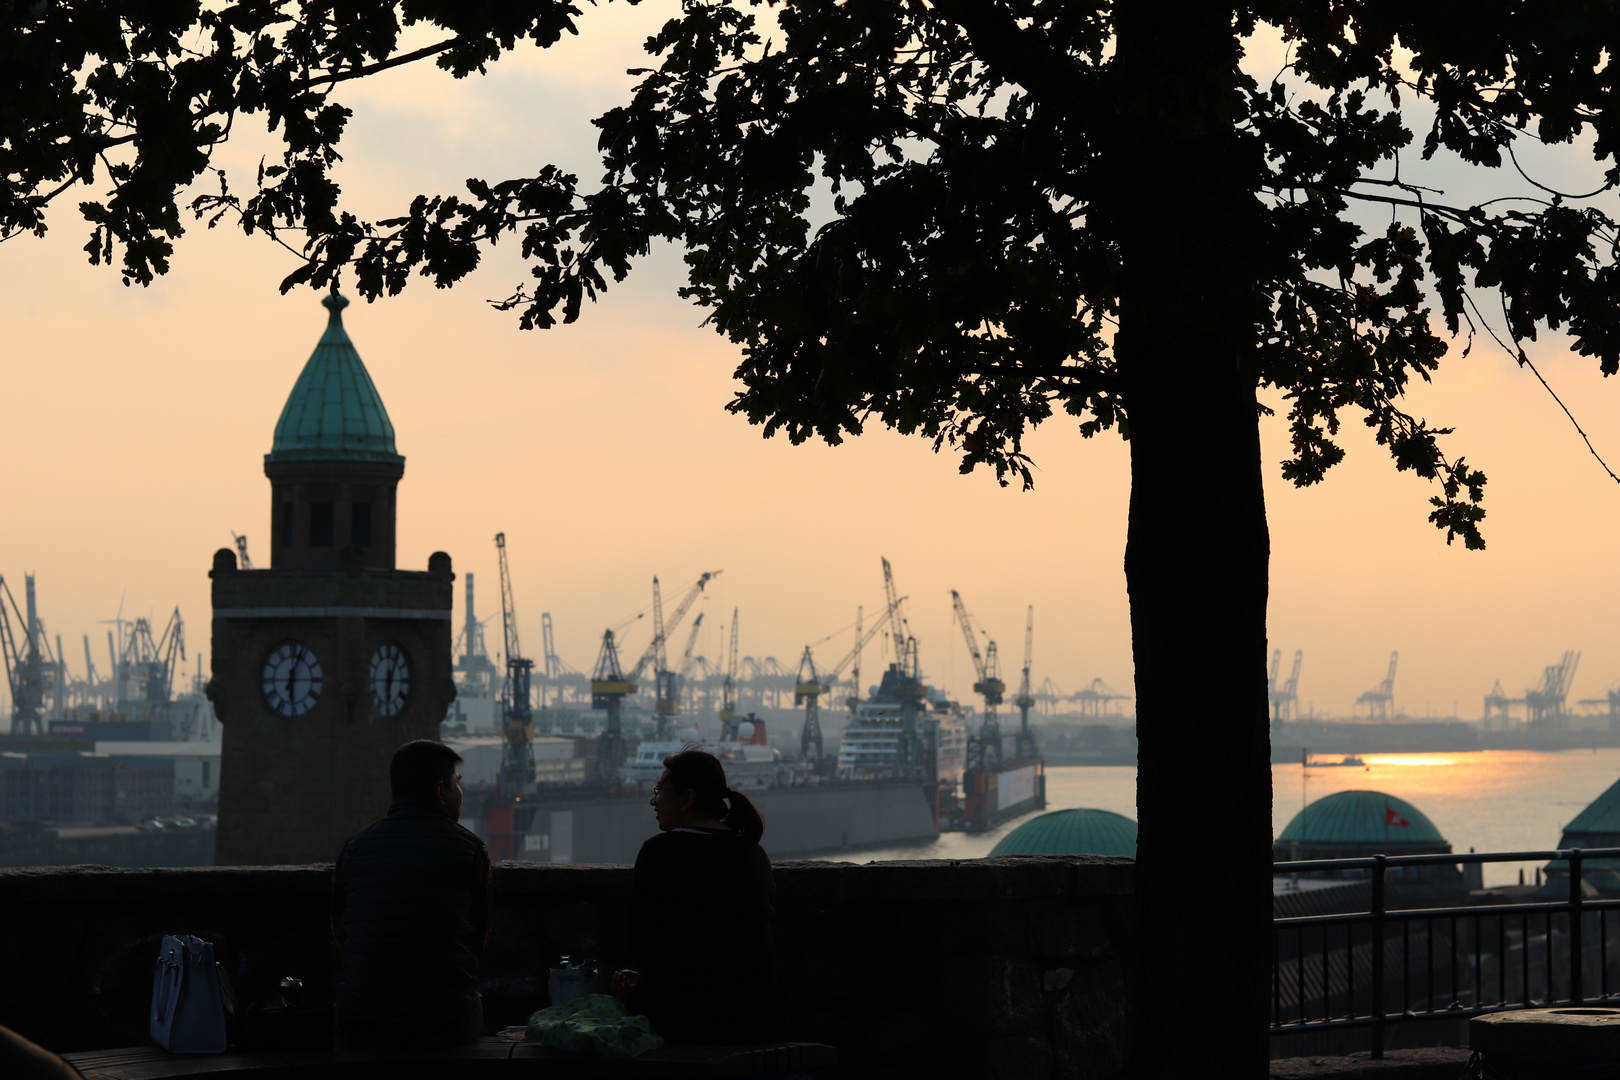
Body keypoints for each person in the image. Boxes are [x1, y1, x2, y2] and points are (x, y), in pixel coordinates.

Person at [331, 739, 491, 1046]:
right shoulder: (471, 851)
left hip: (360, 1019)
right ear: (440, 792)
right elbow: (477, 941)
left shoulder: (354, 849)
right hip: (445, 1019)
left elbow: (339, 937)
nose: (462, 793)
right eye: (457, 784)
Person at [612, 748, 776, 1044]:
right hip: (755, 1020)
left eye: (659, 790)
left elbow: (641, 944)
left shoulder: (661, 852)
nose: (653, 799)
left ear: (688, 799)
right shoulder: (754, 852)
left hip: (687, 1022)